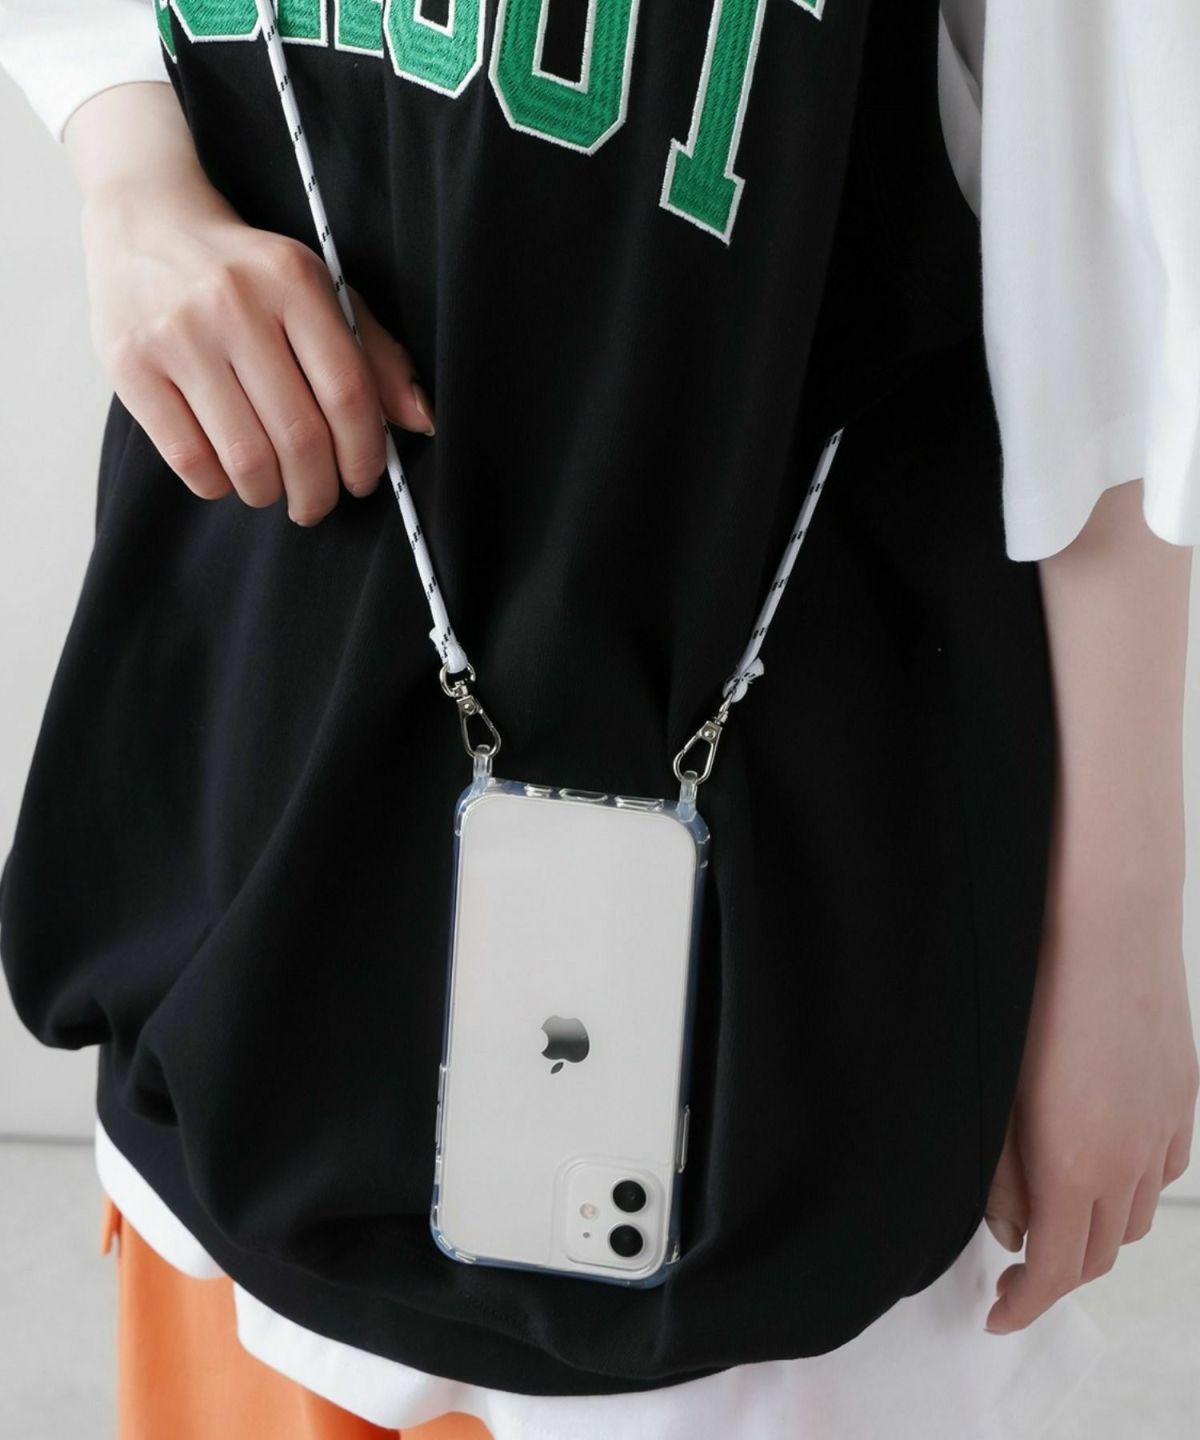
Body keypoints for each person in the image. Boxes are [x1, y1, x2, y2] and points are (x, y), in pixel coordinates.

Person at [0, 1, 1196, 1436]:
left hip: (778, 1008)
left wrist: (1114, 933)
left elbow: (1111, 314)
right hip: (240, 861)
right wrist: (127, 167)